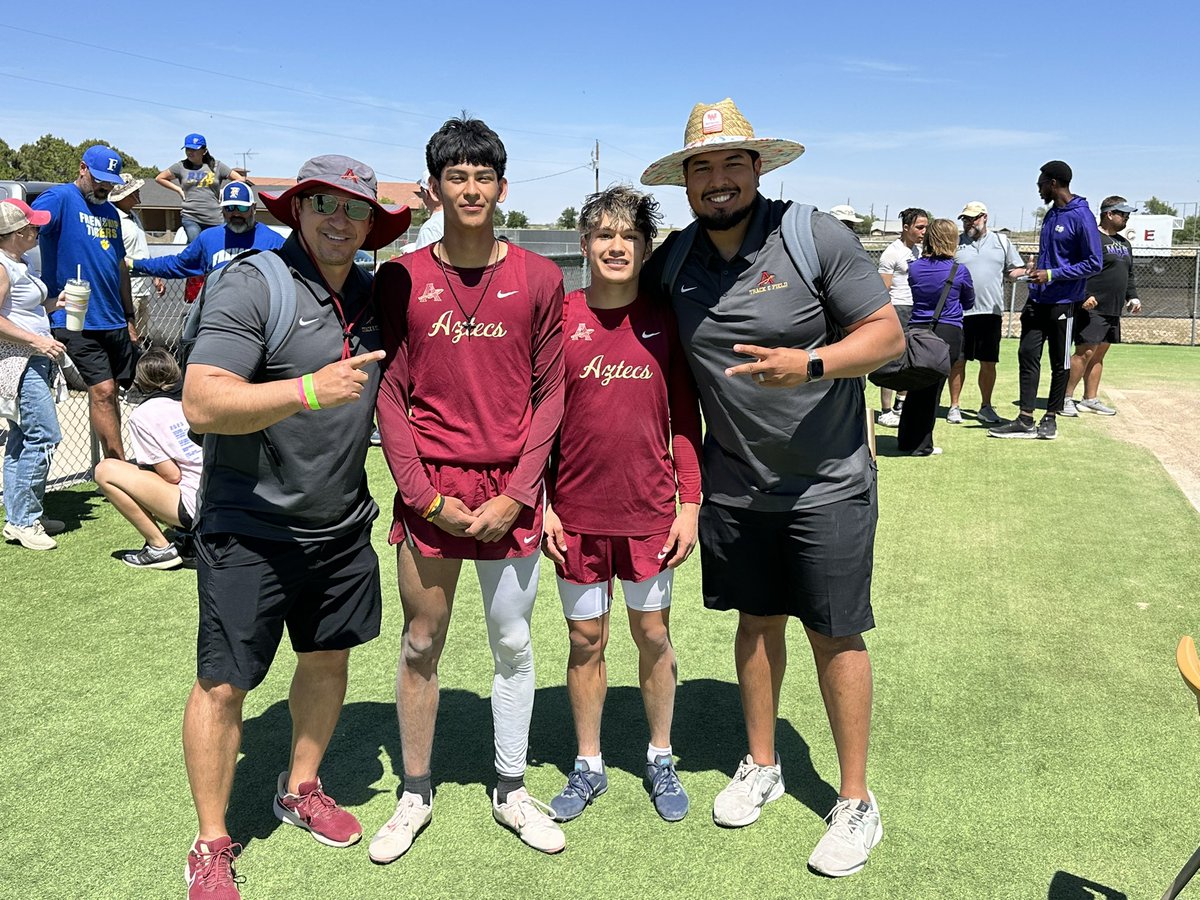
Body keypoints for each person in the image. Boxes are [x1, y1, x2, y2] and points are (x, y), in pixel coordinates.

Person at [639, 97, 904, 878]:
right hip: (735, 488)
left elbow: (886, 336)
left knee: (834, 634)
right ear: (686, 181)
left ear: (758, 168)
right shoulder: (677, 260)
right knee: (756, 626)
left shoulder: (812, 233)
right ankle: (763, 762)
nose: (718, 180)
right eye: (702, 168)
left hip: (828, 485)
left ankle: (856, 801)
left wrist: (811, 363)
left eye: (731, 164)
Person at [179, 155, 409, 900]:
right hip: (249, 527)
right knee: (223, 684)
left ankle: (299, 787)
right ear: (298, 209)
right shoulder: (253, 282)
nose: (340, 221)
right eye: (325, 205)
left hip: (341, 524)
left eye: (355, 210)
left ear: (373, 223)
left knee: (326, 661)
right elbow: (203, 403)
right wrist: (307, 389)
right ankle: (211, 842)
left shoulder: (374, 294)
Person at [371, 116, 566, 861]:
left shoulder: (541, 278)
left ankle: (510, 786)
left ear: (502, 187)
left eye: (483, 176)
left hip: (509, 496)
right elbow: (391, 393)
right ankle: (413, 792)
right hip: (431, 495)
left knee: (512, 643)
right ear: (435, 188)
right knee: (422, 641)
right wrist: (422, 496)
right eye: (457, 176)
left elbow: (551, 395)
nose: (472, 188)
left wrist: (520, 493)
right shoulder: (403, 277)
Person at [542, 186, 702, 825]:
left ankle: (661, 754)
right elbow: (539, 422)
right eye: (603, 235)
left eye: (628, 236)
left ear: (645, 247)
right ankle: (588, 763)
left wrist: (688, 503)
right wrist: (544, 504)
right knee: (585, 640)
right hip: (575, 518)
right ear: (584, 246)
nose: (616, 246)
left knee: (653, 633)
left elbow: (685, 421)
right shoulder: (559, 318)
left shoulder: (666, 320)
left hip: (649, 516)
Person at [33, 144, 137, 461]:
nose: (105, 186)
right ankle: (116, 468)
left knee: (116, 393)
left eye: (111, 181)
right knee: (103, 390)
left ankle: (113, 462)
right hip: (74, 317)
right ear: (82, 168)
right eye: (100, 178)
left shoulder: (110, 213)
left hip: (114, 317)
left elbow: (120, 266)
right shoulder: (61, 198)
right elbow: (27, 226)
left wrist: (129, 315)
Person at [989, 160, 1102, 441]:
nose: (1038, 189)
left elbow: (1094, 263)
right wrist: (1035, 270)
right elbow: (1054, 257)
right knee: (1027, 354)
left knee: (1059, 362)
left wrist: (1052, 273)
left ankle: (1050, 418)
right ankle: (1025, 418)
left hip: (1064, 303)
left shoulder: (1082, 215)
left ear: (1053, 183)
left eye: (1040, 184)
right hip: (1037, 300)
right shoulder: (1051, 215)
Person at [94, 348, 202, 569]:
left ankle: (159, 548)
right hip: (224, 499)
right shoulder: (193, 401)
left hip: (193, 506)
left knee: (105, 470)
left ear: (140, 380)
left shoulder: (142, 415)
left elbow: (172, 475)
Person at [0, 199, 64, 551]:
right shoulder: (3, 266)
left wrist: (57, 302)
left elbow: (25, 307)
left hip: (31, 357)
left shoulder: (19, 262)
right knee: (43, 435)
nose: (37, 230)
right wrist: (36, 341)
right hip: (19, 361)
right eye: (32, 227)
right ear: (15, 234)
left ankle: (21, 516)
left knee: (21, 439)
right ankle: (24, 520)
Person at [897, 219, 974, 456]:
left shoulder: (916, 267)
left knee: (916, 385)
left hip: (918, 330)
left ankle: (906, 438)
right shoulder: (958, 270)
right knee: (933, 390)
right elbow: (969, 302)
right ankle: (921, 444)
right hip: (947, 332)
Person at [947, 202, 1026, 425]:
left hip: (990, 314)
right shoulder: (955, 243)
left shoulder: (1002, 241)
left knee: (988, 362)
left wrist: (1026, 271)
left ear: (984, 217)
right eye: (965, 219)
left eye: (973, 218)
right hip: (958, 313)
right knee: (957, 362)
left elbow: (1013, 270)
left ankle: (986, 407)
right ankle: (954, 406)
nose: (969, 223)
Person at [1062, 197, 1142, 417]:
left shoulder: (1124, 244)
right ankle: (1065, 398)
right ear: (1109, 213)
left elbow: (1129, 274)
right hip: (1091, 308)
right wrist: (1084, 295)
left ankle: (1090, 399)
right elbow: (1077, 269)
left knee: (1099, 355)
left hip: (1113, 309)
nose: (1126, 218)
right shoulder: (1092, 238)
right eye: (1122, 213)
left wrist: (1132, 297)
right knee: (1084, 353)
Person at [132, 183, 284, 284]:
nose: (236, 213)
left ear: (254, 208)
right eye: (229, 208)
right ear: (222, 210)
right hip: (217, 318)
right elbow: (176, 264)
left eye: (242, 208)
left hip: (259, 319)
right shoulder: (208, 239)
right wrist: (136, 264)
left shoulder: (274, 243)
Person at [875, 207, 929, 427]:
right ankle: (885, 410)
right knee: (891, 359)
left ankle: (900, 404)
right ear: (906, 227)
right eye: (919, 227)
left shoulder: (918, 252)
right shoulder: (892, 253)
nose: (924, 231)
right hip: (897, 309)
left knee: (911, 359)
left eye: (926, 227)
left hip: (915, 310)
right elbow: (883, 288)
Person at [156, 134, 247, 242]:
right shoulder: (181, 166)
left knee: (217, 246)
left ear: (204, 151)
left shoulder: (217, 166)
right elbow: (160, 178)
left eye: (194, 149)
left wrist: (224, 191)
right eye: (188, 149)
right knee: (196, 245)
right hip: (191, 216)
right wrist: (179, 190)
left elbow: (241, 180)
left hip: (215, 217)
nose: (190, 152)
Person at [109, 174, 163, 340]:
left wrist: (154, 275)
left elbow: (142, 249)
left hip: (143, 288)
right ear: (125, 195)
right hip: (128, 289)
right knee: (129, 336)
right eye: (134, 190)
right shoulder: (114, 219)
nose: (138, 192)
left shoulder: (134, 217)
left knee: (142, 336)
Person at [401, 173, 444, 253]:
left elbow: (426, 264)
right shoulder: (461, 220)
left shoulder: (430, 228)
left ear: (430, 192)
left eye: (421, 190)